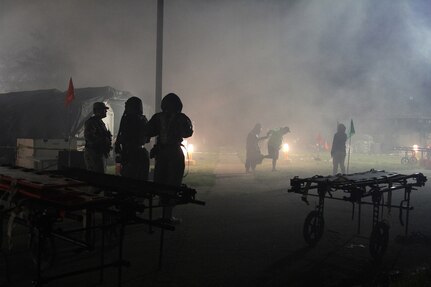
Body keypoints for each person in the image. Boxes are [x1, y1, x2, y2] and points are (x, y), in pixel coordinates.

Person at [144, 93, 193, 224]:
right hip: (174, 152)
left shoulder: (157, 117)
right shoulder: (181, 118)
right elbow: (188, 133)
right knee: (173, 182)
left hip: (161, 153)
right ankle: (168, 215)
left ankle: (164, 213)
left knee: (161, 181)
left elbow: (147, 131)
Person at [115, 97, 150, 180]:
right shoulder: (142, 119)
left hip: (131, 153)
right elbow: (147, 138)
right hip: (136, 152)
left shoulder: (128, 119)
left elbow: (123, 135)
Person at [84, 102, 112, 173]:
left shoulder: (99, 122)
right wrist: (104, 141)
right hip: (94, 154)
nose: (105, 111)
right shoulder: (91, 122)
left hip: (99, 153)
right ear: (97, 111)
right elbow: (89, 137)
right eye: (103, 109)